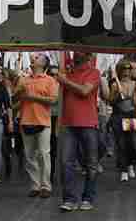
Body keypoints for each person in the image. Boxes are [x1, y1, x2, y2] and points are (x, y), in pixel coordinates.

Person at [57, 52, 101, 211]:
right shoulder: (67, 72)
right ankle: (69, 199)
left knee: (90, 164)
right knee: (66, 163)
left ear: (88, 54)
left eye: (80, 50)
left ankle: (87, 198)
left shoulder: (94, 72)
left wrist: (65, 81)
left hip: (88, 123)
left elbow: (84, 91)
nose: (76, 53)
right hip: (68, 123)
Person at [15, 53, 58, 198]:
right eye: (34, 57)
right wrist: (18, 91)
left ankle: (46, 186)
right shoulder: (23, 79)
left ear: (43, 63)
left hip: (43, 122)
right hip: (26, 120)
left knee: (44, 154)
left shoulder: (50, 80)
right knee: (29, 156)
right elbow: (14, 98)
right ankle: (35, 185)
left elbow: (53, 100)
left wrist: (33, 97)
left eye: (38, 57)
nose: (34, 58)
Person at [109, 60, 136, 182]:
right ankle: (123, 170)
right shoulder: (115, 84)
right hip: (118, 116)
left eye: (128, 68)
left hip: (130, 115)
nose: (126, 71)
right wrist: (116, 93)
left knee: (132, 143)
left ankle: (130, 164)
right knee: (121, 144)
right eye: (124, 68)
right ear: (120, 70)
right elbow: (110, 101)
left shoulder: (135, 84)